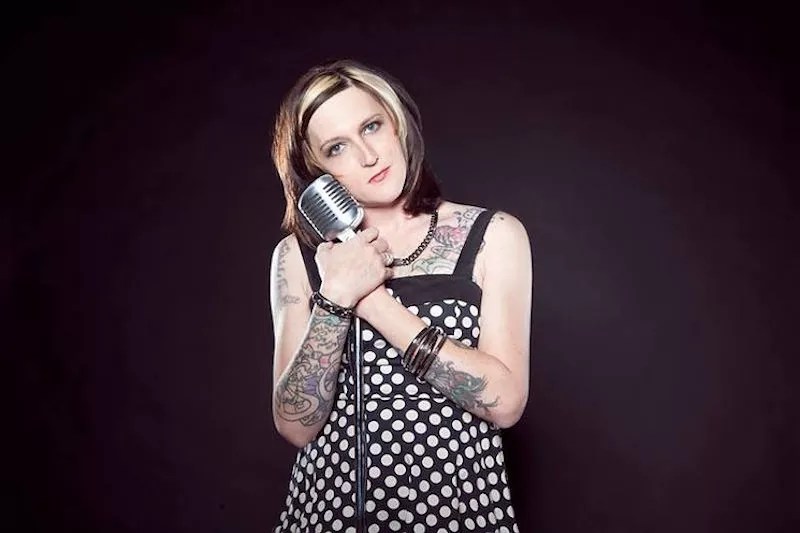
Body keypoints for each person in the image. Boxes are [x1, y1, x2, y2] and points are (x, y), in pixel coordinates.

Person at [268, 59, 532, 533]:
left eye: (371, 126)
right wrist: (335, 296)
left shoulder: (494, 235)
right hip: (331, 515)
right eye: (337, 148)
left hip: (456, 512)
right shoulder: (297, 256)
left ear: (397, 122)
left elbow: (506, 402)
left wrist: (372, 302)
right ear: (317, 171)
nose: (368, 155)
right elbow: (294, 425)